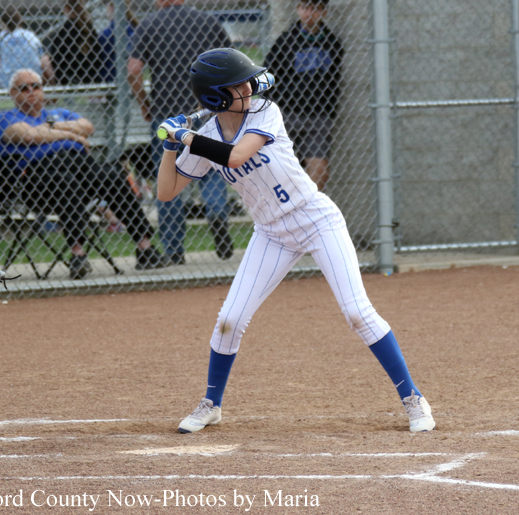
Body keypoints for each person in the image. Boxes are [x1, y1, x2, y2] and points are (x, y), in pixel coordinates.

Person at [157, 48, 435, 434]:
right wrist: (171, 149)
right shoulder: (204, 137)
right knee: (229, 320)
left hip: (316, 219)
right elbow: (167, 191)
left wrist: (184, 135)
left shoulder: (264, 112)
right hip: (271, 234)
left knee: (357, 312)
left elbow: (236, 156)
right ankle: (211, 403)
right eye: (238, 85)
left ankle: (413, 398)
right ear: (215, 96)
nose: (249, 88)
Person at [0, 69, 170, 279]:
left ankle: (145, 249)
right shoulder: (5, 117)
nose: (31, 91)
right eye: (24, 88)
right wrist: (72, 136)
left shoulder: (57, 113)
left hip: (81, 167)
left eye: (36, 86)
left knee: (113, 177)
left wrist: (53, 127)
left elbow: (88, 127)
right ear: (13, 93)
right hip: (38, 178)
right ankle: (78, 254)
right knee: (66, 183)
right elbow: (29, 135)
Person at [128, 0, 234, 264]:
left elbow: (133, 70)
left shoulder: (150, 24)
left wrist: (144, 103)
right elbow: (231, 64)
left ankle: (174, 250)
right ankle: (216, 212)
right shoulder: (208, 22)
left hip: (168, 115)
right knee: (211, 167)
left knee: (171, 175)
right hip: (207, 111)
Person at [263, 0, 343, 191]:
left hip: (319, 116)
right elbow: (269, 75)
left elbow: (334, 80)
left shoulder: (332, 43)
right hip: (289, 115)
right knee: (285, 169)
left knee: (320, 171)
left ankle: (304, 207)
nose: (309, 14)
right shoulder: (286, 41)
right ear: (298, 9)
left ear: (324, 11)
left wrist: (329, 108)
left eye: (315, 9)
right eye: (305, 8)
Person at [0, 7, 53, 89]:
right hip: (33, 78)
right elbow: (41, 54)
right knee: (44, 59)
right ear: (20, 21)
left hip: (7, 82)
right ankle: (51, 91)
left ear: (2, 23)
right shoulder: (30, 36)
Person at [49, 0, 104, 85]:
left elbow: (56, 55)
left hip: (68, 77)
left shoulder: (66, 30)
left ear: (66, 9)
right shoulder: (88, 28)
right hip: (91, 75)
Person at [98, 0, 138, 83]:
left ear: (112, 8)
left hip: (111, 78)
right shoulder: (133, 28)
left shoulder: (107, 33)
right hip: (133, 78)